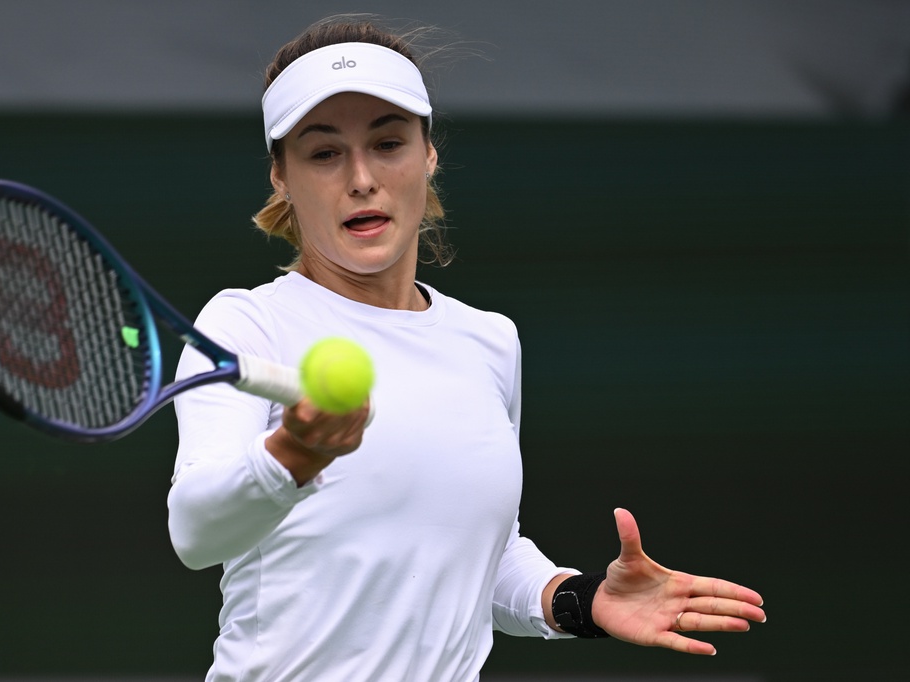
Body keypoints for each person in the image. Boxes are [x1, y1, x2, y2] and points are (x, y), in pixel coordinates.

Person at [168, 15, 766, 682]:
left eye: (387, 143)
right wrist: (294, 455)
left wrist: (578, 599)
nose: (361, 178)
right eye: (324, 153)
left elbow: (483, 553)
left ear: (428, 155)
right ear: (281, 176)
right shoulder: (245, 325)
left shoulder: (489, 341)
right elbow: (195, 532)